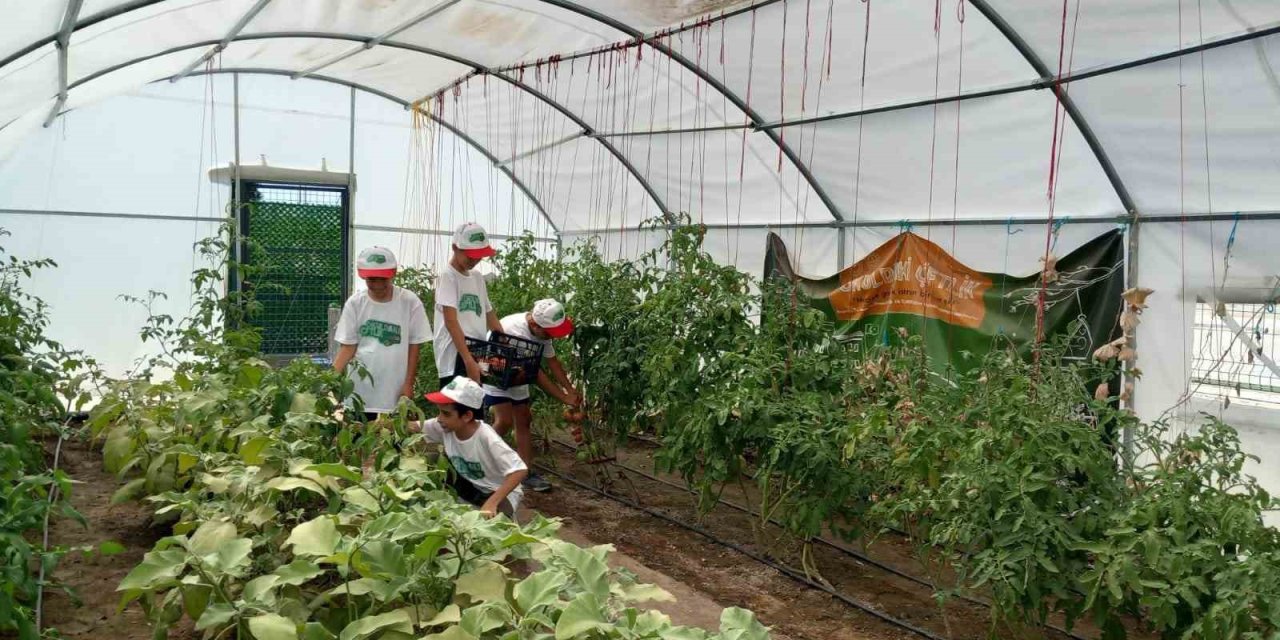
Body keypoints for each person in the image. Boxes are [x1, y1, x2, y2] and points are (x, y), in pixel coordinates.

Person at [483, 298, 580, 493]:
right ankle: (476, 456)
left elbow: (553, 362)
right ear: (535, 325)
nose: (551, 337)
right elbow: (537, 374)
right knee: (504, 421)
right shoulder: (513, 330)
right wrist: (563, 398)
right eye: (549, 333)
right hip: (497, 373)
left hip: (519, 374)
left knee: (524, 419)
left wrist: (570, 389)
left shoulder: (542, 332)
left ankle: (525, 472)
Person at [333, 246, 430, 421]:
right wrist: (328, 379)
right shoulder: (355, 303)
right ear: (362, 276)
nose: (377, 284)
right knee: (356, 436)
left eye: (383, 279)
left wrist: (408, 385)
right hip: (359, 394)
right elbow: (348, 347)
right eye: (372, 279)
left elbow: (414, 346)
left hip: (395, 394)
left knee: (394, 436)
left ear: (393, 273)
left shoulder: (409, 302)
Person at [414, 377, 527, 518]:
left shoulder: (486, 437)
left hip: (498, 491)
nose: (439, 418)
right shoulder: (444, 426)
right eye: (440, 412)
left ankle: (496, 512)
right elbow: (412, 427)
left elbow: (519, 470)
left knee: (493, 522)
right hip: (471, 485)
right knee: (432, 458)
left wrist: (491, 503)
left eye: (446, 414)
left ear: (467, 416)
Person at [433, 222, 502, 386]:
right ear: (455, 248)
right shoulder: (448, 276)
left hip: (477, 351)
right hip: (455, 355)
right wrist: (468, 360)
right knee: (457, 401)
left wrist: (504, 345)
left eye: (479, 256)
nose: (475, 260)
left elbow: (489, 314)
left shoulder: (476, 277)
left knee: (476, 400)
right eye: (470, 256)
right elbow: (451, 321)